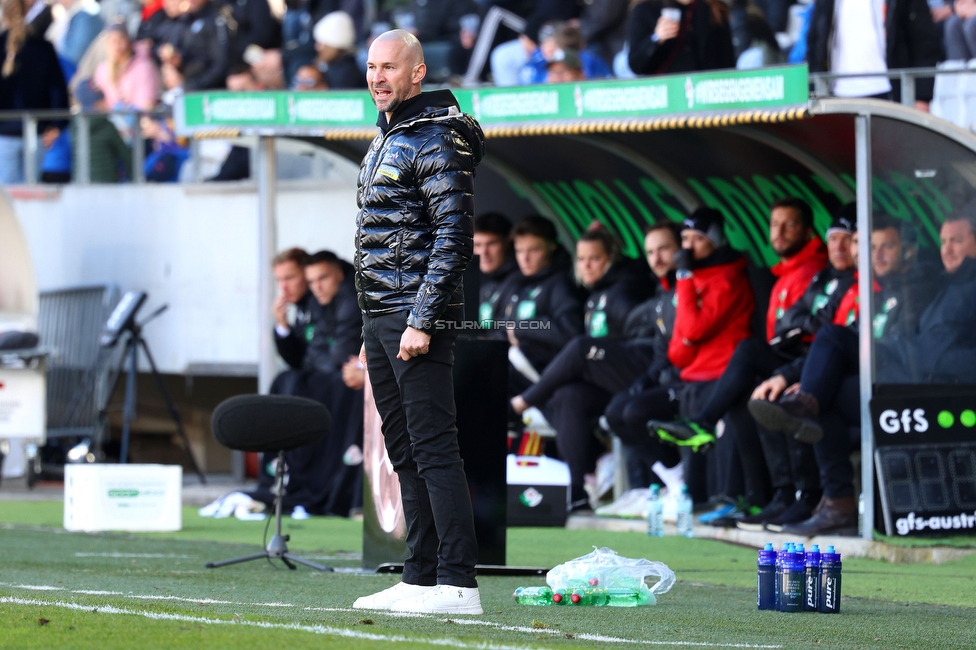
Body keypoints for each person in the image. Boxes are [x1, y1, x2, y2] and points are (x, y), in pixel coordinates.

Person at [351, 29, 484, 615]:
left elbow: (454, 239)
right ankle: (420, 577)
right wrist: (369, 326)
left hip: (413, 318)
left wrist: (422, 319)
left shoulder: (436, 138)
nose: (378, 77)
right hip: (379, 316)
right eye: (372, 67)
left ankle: (459, 584)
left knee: (434, 449)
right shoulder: (389, 135)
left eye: (390, 67)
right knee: (404, 451)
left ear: (418, 74)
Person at [509, 223, 675, 507]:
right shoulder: (595, 293)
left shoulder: (624, 287)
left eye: (594, 258)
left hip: (642, 370)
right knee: (567, 396)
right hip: (611, 378)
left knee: (581, 348)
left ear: (611, 258)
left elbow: (642, 329)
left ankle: (522, 403)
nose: (586, 265)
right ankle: (577, 491)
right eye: (582, 259)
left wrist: (521, 328)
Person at [605, 209, 755, 505]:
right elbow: (678, 348)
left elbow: (693, 330)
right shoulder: (686, 282)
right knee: (618, 411)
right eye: (684, 239)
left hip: (716, 378)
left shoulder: (720, 277)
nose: (686, 249)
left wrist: (684, 276)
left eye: (695, 239)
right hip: (691, 375)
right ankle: (672, 482)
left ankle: (697, 491)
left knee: (638, 412)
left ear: (715, 241)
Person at [250, 250, 365, 517]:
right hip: (327, 374)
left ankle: (324, 485)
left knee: (323, 386)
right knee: (286, 382)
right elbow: (306, 355)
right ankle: (282, 476)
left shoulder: (348, 296)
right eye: (280, 279)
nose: (285, 286)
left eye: (291, 277)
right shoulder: (313, 302)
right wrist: (282, 326)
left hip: (346, 379)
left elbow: (338, 352)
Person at [496, 215, 584, 397]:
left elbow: (569, 332)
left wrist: (520, 328)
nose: (525, 258)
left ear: (552, 246)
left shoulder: (561, 284)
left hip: (549, 376)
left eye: (533, 250)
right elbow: (503, 327)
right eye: (519, 251)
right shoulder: (518, 283)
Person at [806, 0, 940, 110]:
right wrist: (813, 95)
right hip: (837, 95)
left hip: (889, 93)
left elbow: (924, 43)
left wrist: (922, 97)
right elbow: (816, 43)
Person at [0, 0, 69, 185]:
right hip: (36, 130)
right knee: (31, 193)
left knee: (7, 196)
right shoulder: (43, 47)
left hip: (4, 132)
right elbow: (57, 90)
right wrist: (58, 124)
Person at [626, 0, 736, 76]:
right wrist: (656, 37)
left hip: (706, 95)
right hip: (666, 95)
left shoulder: (714, 9)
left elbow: (728, 63)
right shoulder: (646, 8)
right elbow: (635, 65)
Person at [94, 22, 161, 112]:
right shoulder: (102, 70)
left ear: (129, 42)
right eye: (112, 41)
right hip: (110, 121)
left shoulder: (143, 67)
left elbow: (146, 106)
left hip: (138, 121)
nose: (116, 45)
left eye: (120, 39)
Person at [472, 212, 517, 329]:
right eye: (477, 245)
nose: (484, 253)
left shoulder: (521, 281)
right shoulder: (469, 281)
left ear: (507, 243)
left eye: (491, 244)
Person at [313, 11, 365, 89]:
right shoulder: (334, 68)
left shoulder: (346, 74)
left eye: (321, 44)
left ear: (332, 46)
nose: (317, 47)